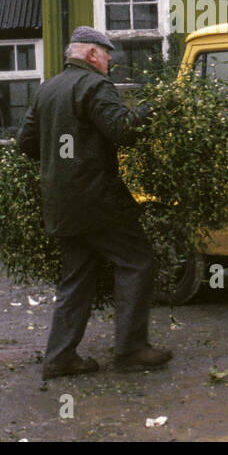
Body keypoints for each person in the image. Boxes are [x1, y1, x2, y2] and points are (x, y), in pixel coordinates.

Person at [16, 26, 169, 378]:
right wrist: (156, 108)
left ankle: (58, 357)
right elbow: (123, 129)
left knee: (76, 276)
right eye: (106, 53)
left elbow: (26, 143)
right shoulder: (94, 85)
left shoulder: (47, 89)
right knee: (137, 260)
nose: (111, 59)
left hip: (60, 203)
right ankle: (131, 349)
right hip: (98, 201)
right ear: (91, 54)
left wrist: (61, 161)